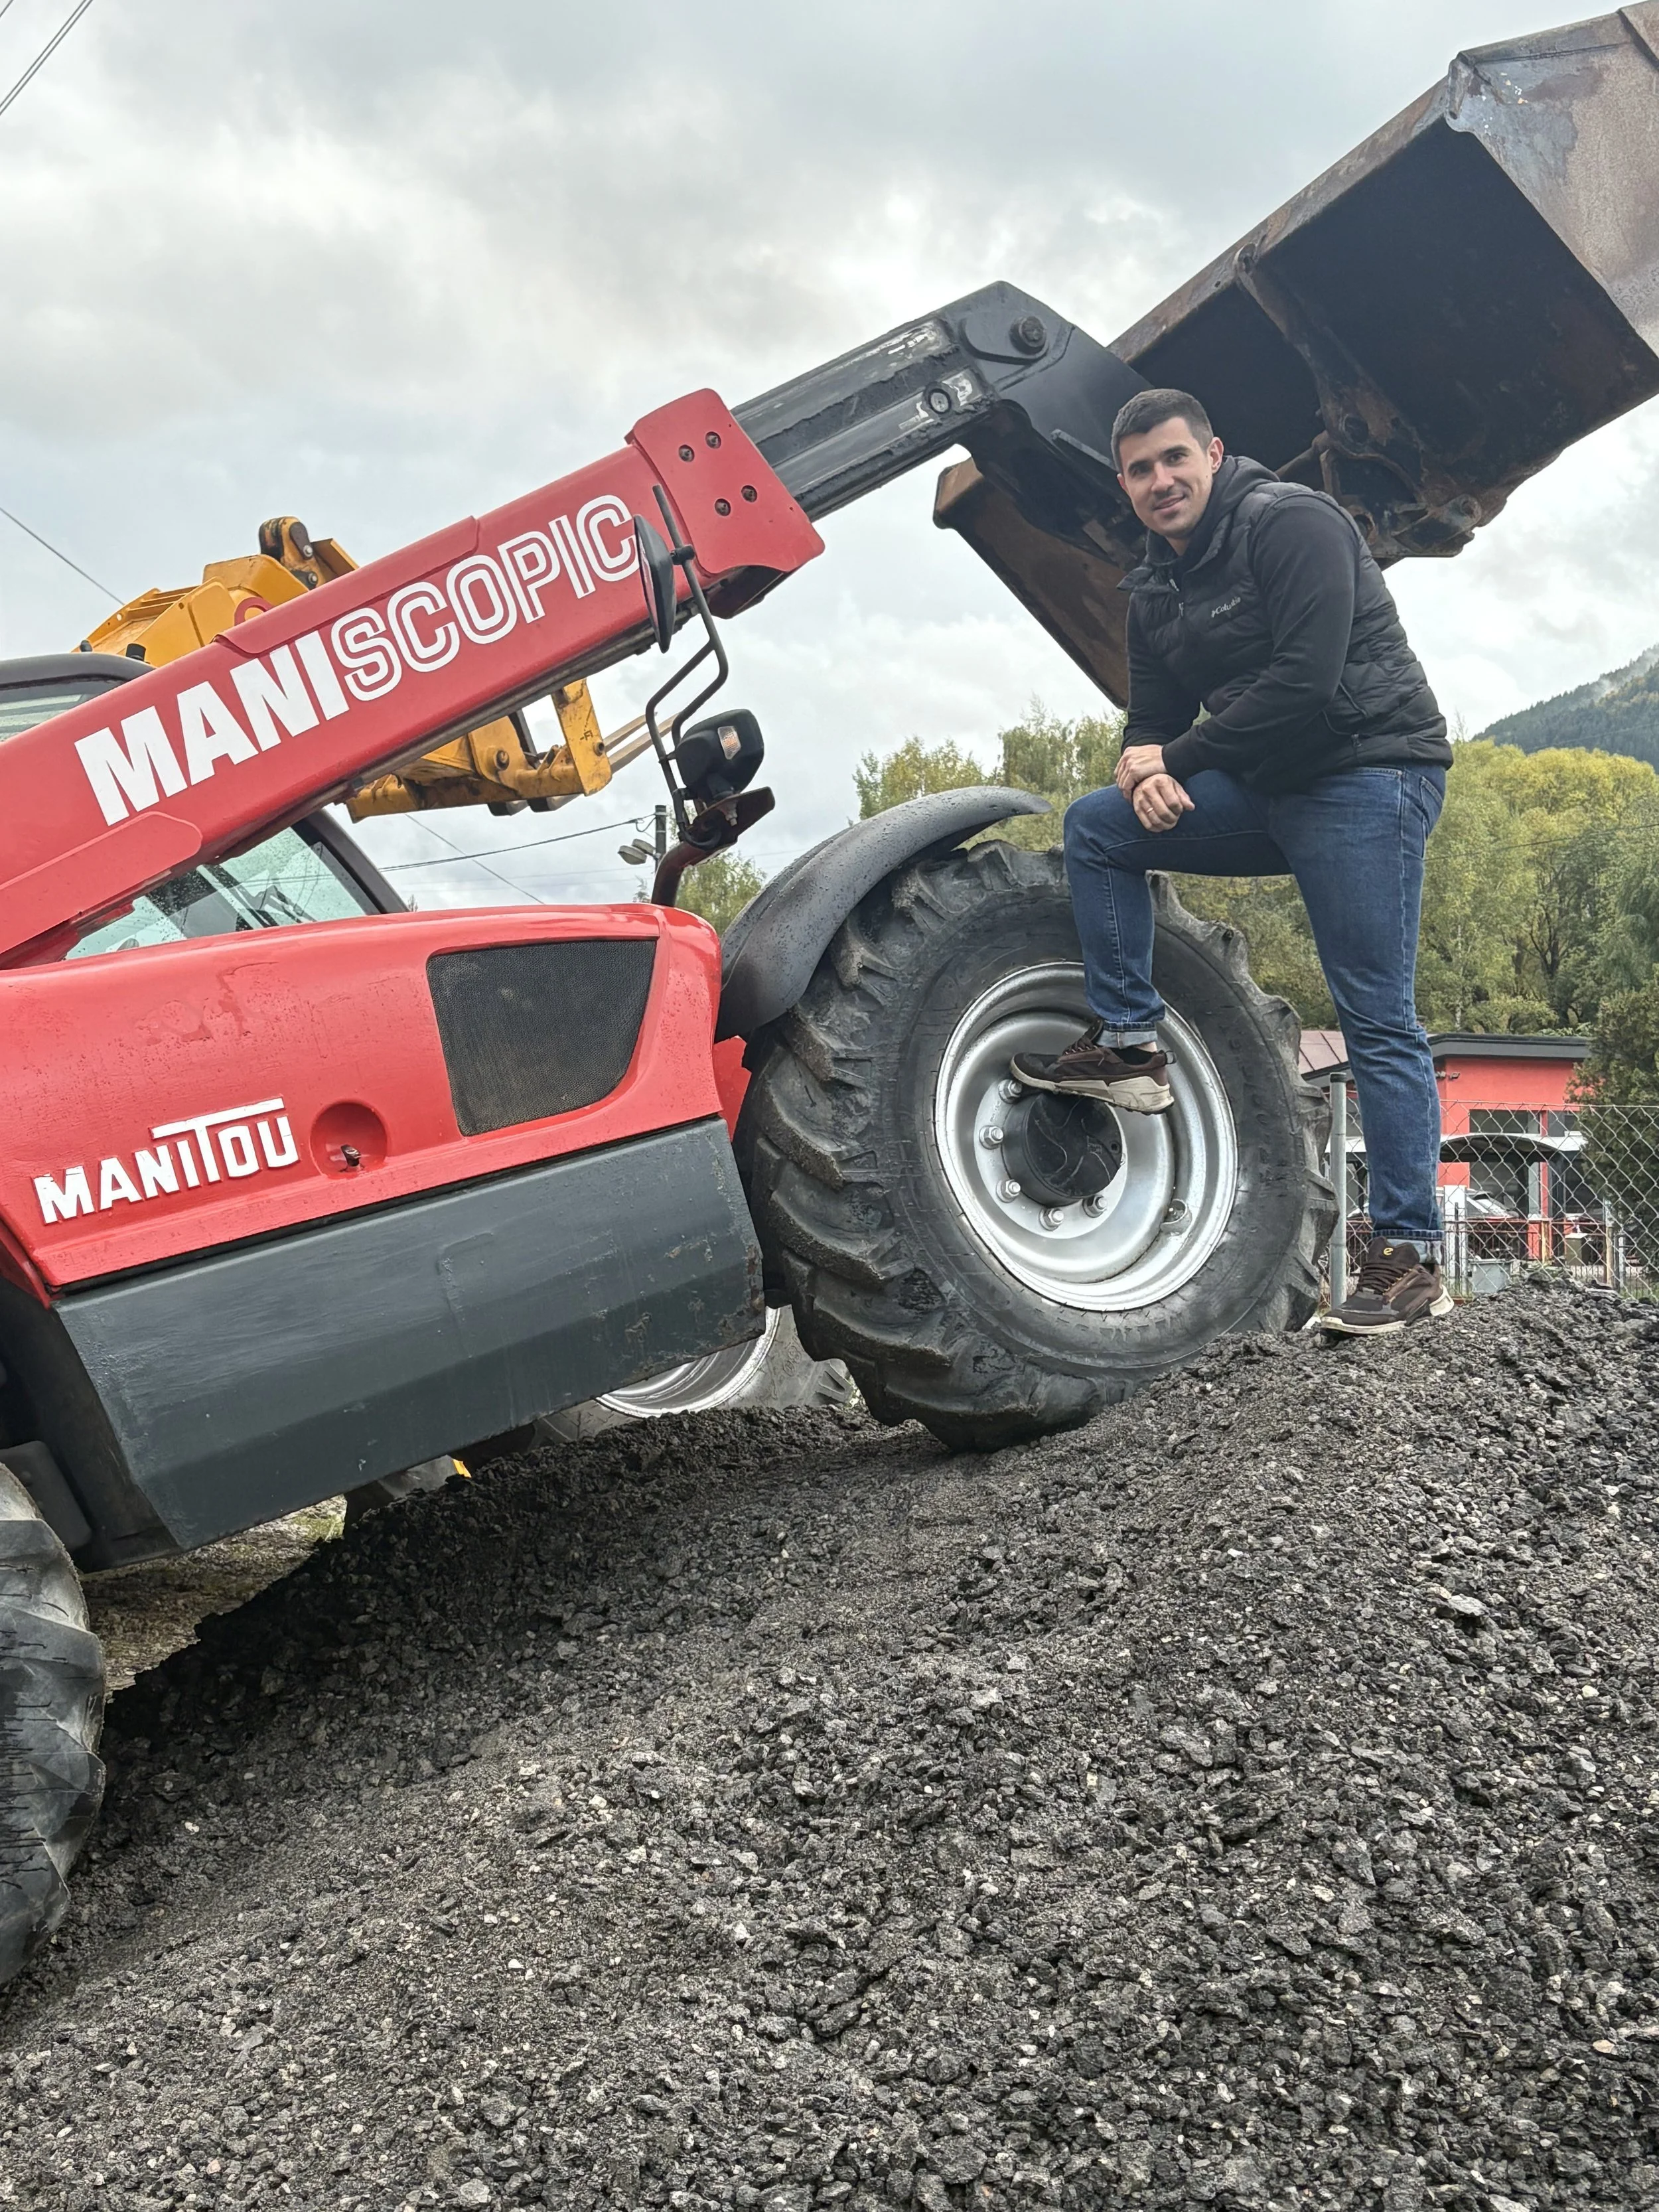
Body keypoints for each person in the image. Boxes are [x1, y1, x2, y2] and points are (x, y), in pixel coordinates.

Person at [1009, 388, 1454, 1335]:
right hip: (1271, 787)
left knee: (1375, 1012)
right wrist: (1146, 779)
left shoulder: (1295, 526)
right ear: (1125, 486)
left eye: (1174, 459)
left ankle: (1408, 1261)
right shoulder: (1154, 585)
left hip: (1368, 773)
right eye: (1139, 470)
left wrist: (1182, 760)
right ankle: (1129, 1044)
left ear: (1213, 453)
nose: (1160, 481)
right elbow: (1152, 720)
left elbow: (1309, 678)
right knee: (1097, 827)